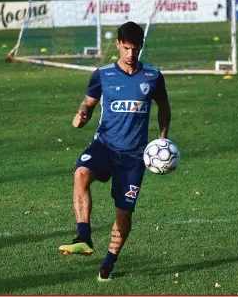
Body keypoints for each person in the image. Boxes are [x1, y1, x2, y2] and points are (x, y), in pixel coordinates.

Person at [58, 21, 171, 282]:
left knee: (123, 212)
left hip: (134, 157)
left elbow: (163, 105)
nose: (131, 54)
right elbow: (88, 102)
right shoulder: (103, 74)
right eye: (126, 48)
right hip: (105, 145)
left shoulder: (153, 76)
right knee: (81, 173)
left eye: (136, 48)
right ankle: (83, 237)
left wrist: (162, 137)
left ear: (142, 46)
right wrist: (83, 113)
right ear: (119, 45)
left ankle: (109, 262)